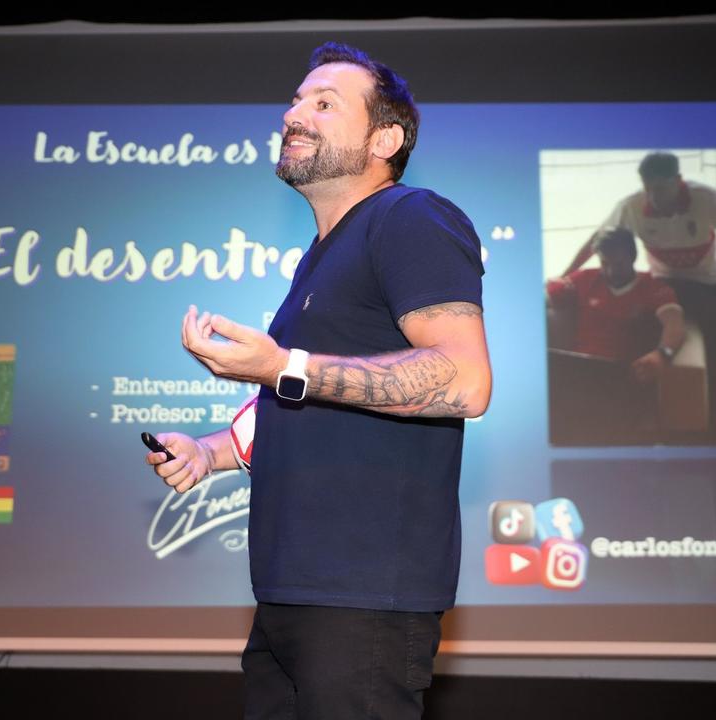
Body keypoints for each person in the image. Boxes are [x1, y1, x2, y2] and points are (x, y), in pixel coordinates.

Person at [146, 42, 491, 719]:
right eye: (296, 101)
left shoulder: (410, 217)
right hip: (289, 593)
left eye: (324, 103)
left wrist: (283, 365)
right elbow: (312, 399)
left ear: (384, 140)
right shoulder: (323, 256)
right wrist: (210, 452)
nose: (293, 114)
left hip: (362, 597)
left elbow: (465, 379)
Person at [562, 152, 716, 443]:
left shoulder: (705, 197)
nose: (653, 197)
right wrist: (565, 275)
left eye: (660, 188)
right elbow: (595, 242)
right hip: (679, 284)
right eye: (648, 188)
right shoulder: (632, 206)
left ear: (679, 181)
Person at [546, 227, 685, 444]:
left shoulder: (653, 286)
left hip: (622, 375)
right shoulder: (585, 278)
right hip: (578, 371)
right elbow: (544, 297)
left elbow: (675, 325)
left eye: (618, 264)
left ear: (633, 257)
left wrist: (662, 354)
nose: (610, 271)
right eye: (605, 263)